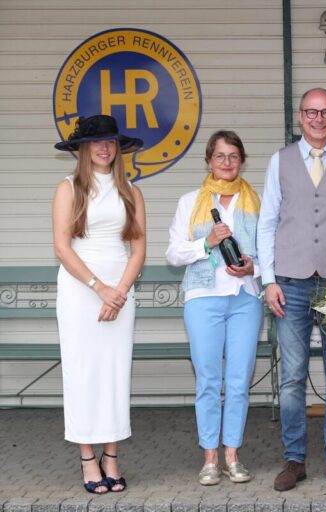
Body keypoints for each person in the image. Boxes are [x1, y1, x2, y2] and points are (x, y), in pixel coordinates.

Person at [258, 87, 326, 491]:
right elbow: (267, 221)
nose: (318, 119)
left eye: (325, 112)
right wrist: (267, 280)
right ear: (300, 116)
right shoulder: (280, 161)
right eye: (311, 112)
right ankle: (294, 459)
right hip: (289, 282)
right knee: (291, 377)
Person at [52, 114, 146, 494]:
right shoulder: (68, 188)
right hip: (80, 290)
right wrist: (99, 288)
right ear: (83, 149)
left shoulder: (131, 192)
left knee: (114, 374)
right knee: (82, 373)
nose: (104, 148)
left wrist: (119, 291)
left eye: (110, 142)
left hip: (121, 291)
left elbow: (138, 248)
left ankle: (112, 456)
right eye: (96, 142)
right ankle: (88, 457)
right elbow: (62, 247)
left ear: (119, 148)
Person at [166, 130, 263, 486]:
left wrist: (255, 268)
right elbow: (173, 254)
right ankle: (209, 458)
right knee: (208, 380)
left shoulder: (257, 201)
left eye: (233, 156)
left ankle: (233, 455)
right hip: (203, 298)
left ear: (242, 160)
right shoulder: (190, 201)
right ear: (209, 160)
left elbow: (270, 252)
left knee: (238, 381)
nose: (227, 162)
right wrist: (205, 243)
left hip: (245, 298)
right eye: (220, 156)